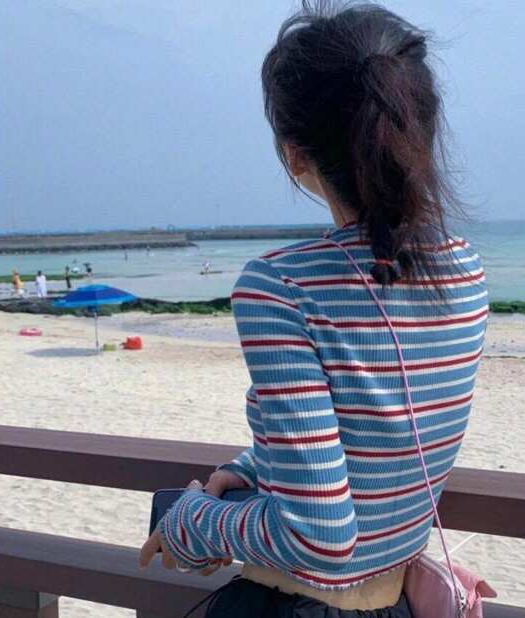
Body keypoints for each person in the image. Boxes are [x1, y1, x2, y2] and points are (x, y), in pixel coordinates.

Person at [140, 3, 488, 617]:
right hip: (393, 606)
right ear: (419, 130)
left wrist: (193, 522)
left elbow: (320, 540)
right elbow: (376, 434)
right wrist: (255, 467)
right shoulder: (464, 271)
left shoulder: (280, 287)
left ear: (295, 153)